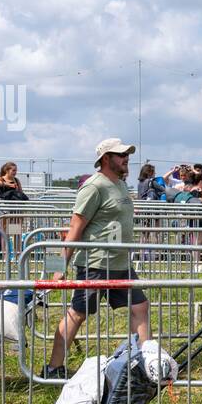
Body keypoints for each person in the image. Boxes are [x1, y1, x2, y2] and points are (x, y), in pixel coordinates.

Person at [43, 138, 150, 380]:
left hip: (121, 263)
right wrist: (59, 266)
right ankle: (52, 368)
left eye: (127, 154)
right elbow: (75, 226)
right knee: (78, 314)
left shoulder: (121, 184)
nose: (126, 158)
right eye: (120, 154)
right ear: (105, 158)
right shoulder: (94, 187)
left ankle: (145, 364)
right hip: (96, 263)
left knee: (140, 307)